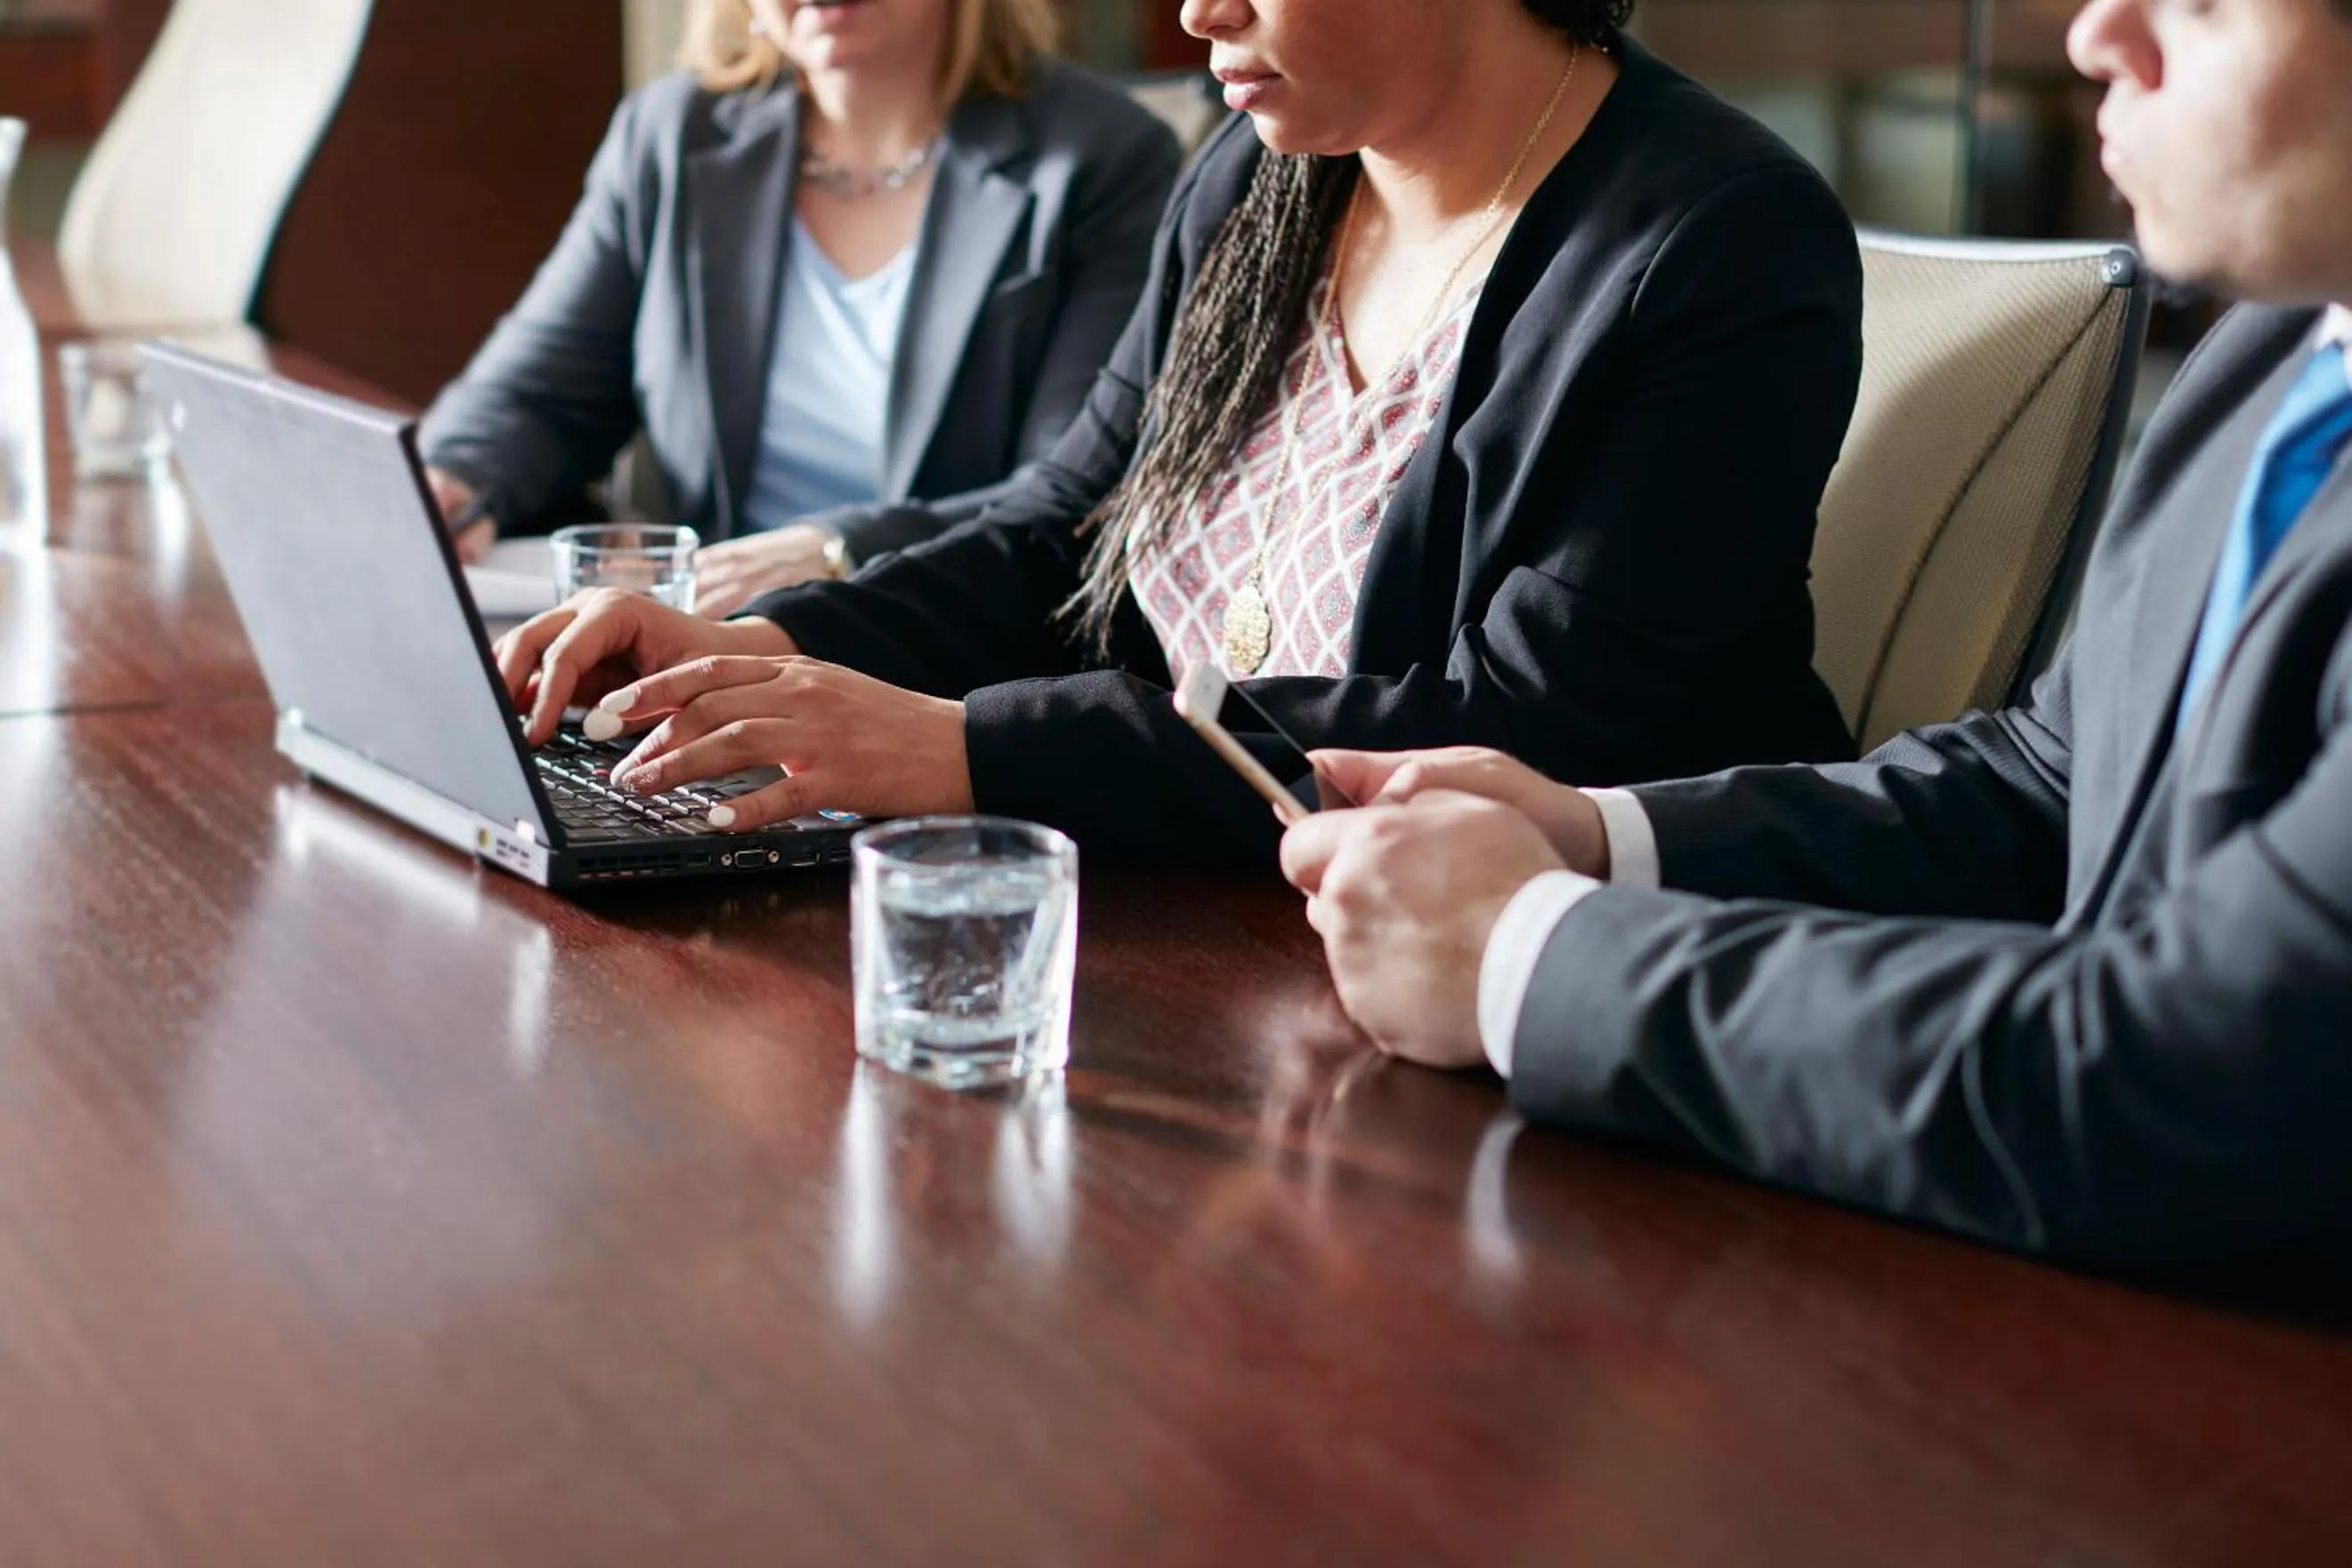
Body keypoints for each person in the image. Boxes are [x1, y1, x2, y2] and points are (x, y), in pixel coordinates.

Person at [1279, 0, 2352, 1266]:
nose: (2095, 35)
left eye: (2204, 3)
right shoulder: (2279, 348)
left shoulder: (1710, 222)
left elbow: (2185, 1080)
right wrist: (1599, 836)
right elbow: (2048, 784)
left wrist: (1529, 957)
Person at [495, 0, 1866, 859]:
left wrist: (966, 748)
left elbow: (1523, 726)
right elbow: (1063, 535)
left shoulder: (1718, 238)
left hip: (1542, 962)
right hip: (1208, 896)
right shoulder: (1259, 181)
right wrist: (767, 645)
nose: (1199, 14)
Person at [418, 0, 1181, 617]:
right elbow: (538, 392)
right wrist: (454, 478)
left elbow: (1072, 490)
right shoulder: (672, 133)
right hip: (696, 639)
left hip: (936, 650)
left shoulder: (1106, 156)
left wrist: (833, 549)